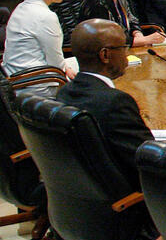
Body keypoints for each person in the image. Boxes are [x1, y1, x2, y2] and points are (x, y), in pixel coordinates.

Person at [54, 19, 153, 190]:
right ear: (105, 55)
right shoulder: (115, 102)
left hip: (87, 193)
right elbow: (149, 158)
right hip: (133, 196)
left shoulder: (63, 93)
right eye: (124, 47)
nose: (126, 54)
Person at [2, 0, 76, 92]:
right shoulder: (45, 16)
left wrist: (65, 67)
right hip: (38, 85)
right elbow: (55, 62)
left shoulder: (21, 7)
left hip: (16, 79)